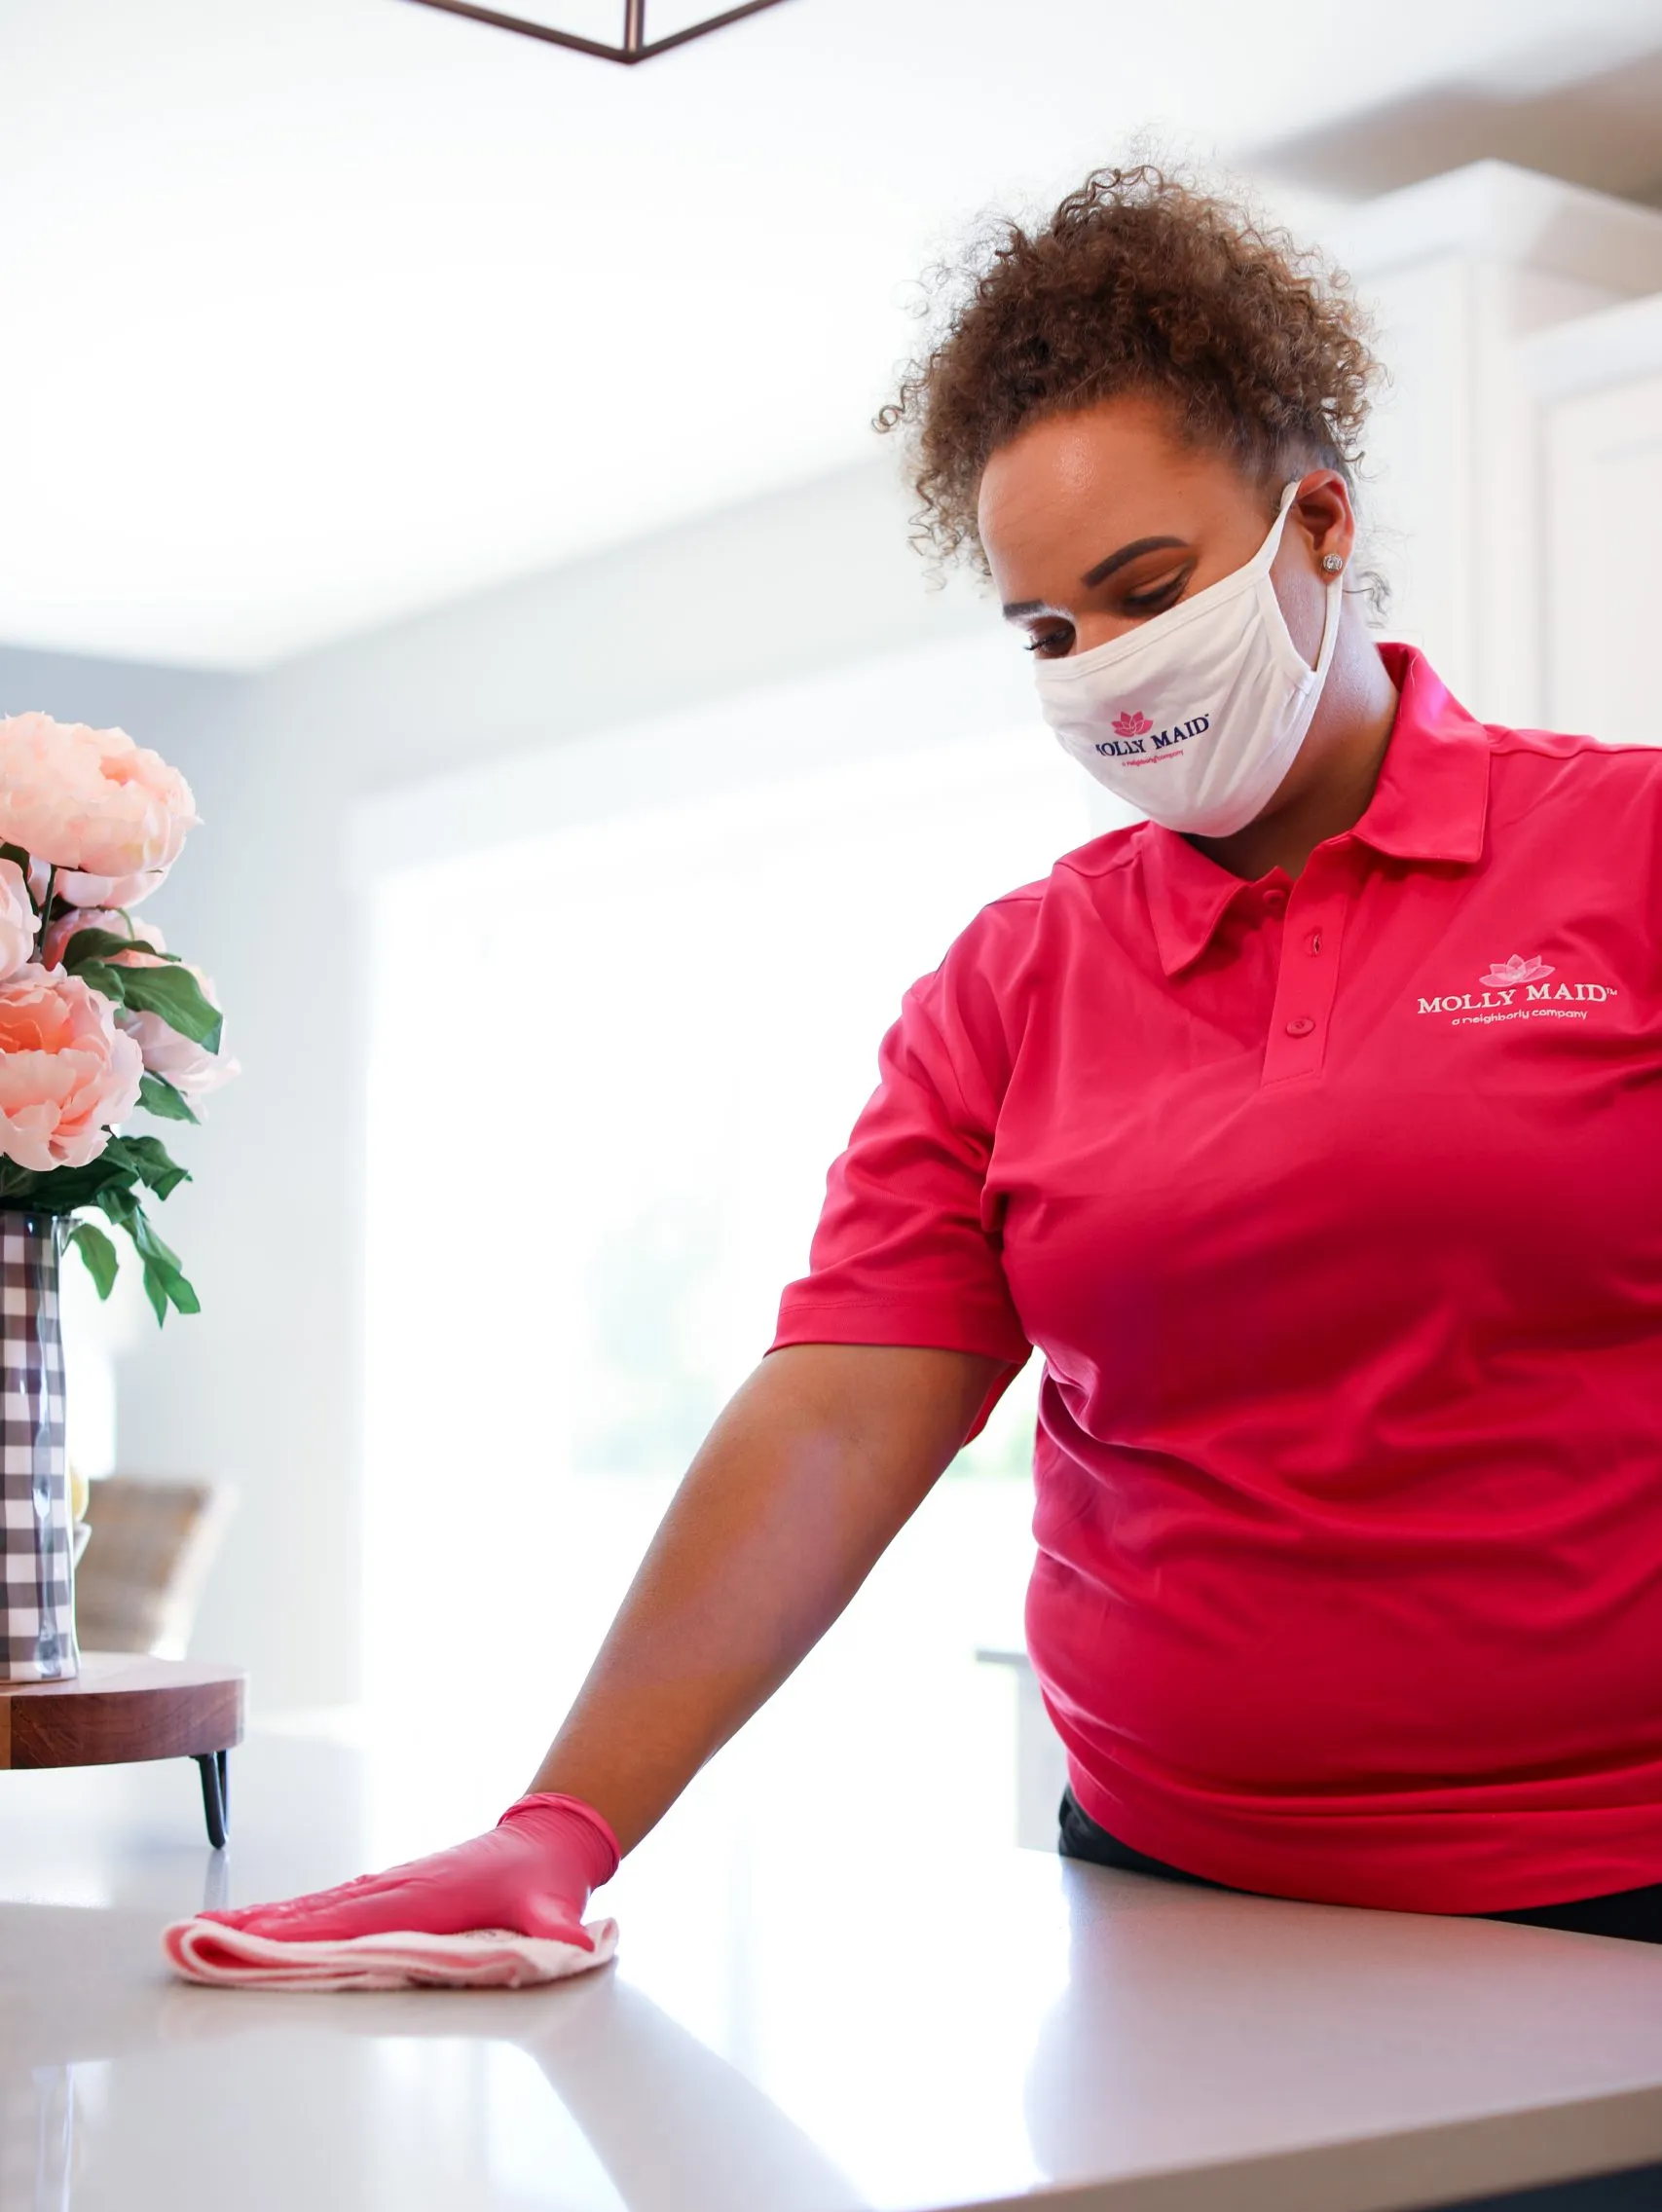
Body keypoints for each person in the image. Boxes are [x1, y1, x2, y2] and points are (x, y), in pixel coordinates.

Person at [212, 165, 1662, 1957]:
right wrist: (564, 1826)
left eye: (1147, 588)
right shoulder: (1015, 981)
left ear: (1317, 523)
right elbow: (836, 1419)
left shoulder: (1624, 853)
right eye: (1049, 631)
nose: (1104, 669)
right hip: (1160, 1884)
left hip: (1610, 1889)